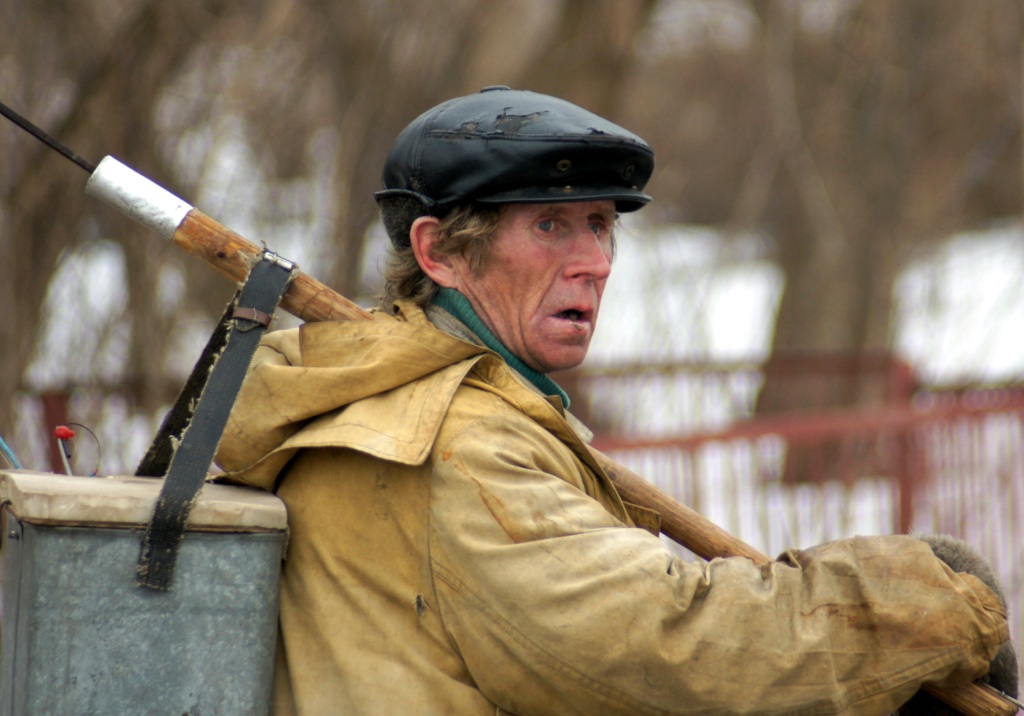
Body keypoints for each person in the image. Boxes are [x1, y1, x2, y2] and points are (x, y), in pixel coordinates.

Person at [215, 87, 1013, 715]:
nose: (593, 261)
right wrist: (924, 606)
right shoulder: (450, 447)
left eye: (600, 225)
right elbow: (668, 647)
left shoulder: (445, 404)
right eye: (552, 225)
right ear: (440, 251)